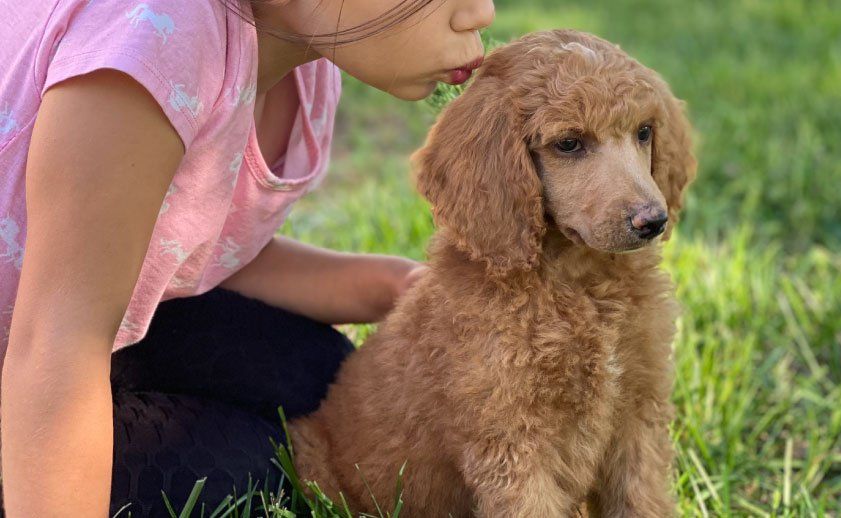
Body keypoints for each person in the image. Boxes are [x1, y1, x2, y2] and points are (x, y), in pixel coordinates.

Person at [0, 0, 494, 515]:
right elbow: (55, 344)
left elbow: (189, 249)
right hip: (42, 344)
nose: (481, 13)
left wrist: (394, 285)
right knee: (244, 471)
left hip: (66, 312)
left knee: (320, 380)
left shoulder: (310, 51)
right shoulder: (157, 41)